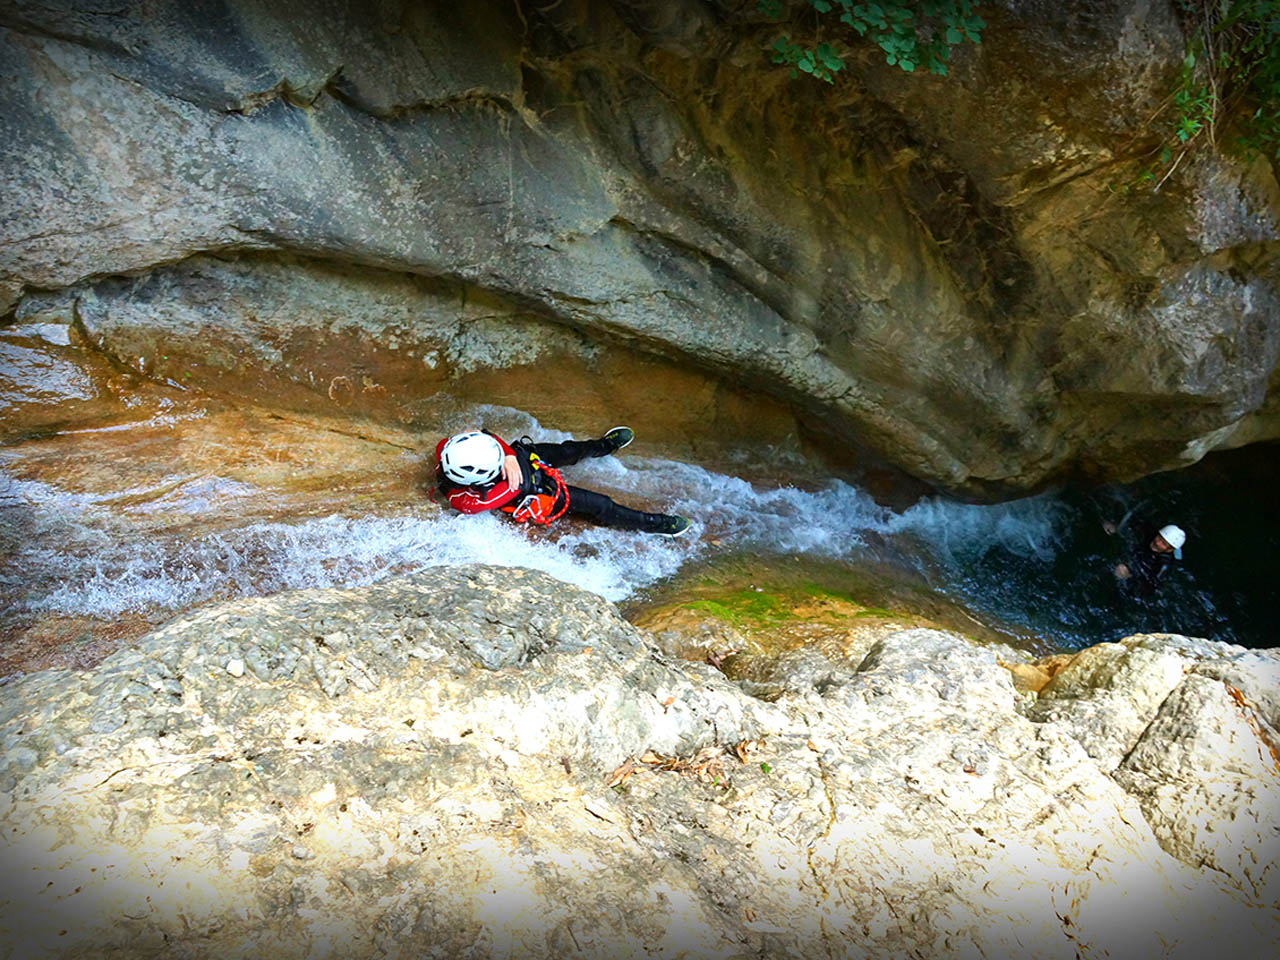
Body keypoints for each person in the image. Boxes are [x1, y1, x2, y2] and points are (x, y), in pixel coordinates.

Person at [434, 426, 692, 536]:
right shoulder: (476, 500)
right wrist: (509, 459)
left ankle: (604, 446)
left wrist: (508, 457)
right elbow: (518, 485)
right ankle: (654, 524)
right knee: (600, 505)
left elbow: (480, 434)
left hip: (521, 460)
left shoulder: (449, 449)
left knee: (569, 451)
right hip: (531, 491)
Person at [1111, 522, 1185, 597]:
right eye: (1159, 537)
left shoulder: (1163, 565)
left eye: (1163, 544)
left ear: (1169, 550)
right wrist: (1117, 528)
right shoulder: (1150, 534)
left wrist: (1128, 577)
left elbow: (1148, 590)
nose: (1157, 543)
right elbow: (1132, 525)